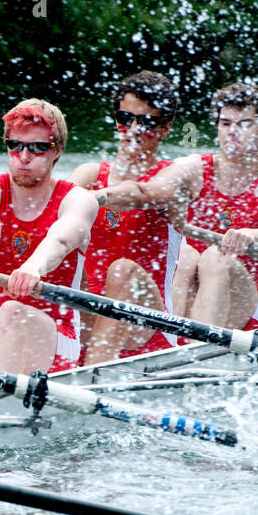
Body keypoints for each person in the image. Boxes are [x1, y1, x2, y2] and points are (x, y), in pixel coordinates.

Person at [97, 82, 258, 331]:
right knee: (187, 254)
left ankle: (191, 348)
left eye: (243, 124)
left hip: (245, 305)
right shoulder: (193, 168)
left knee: (215, 256)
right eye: (225, 124)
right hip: (189, 293)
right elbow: (145, 191)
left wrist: (249, 235)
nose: (231, 132)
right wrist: (98, 197)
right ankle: (172, 340)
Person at [0, 99, 97, 375]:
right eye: (15, 145)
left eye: (38, 148)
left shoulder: (77, 200)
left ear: (57, 152)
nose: (24, 157)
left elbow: (61, 239)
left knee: (11, 311)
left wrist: (33, 266)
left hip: (57, 335)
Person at [68, 71, 183, 363]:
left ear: (166, 128)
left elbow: (140, 193)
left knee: (121, 270)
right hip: (86, 316)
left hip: (145, 327)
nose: (132, 129)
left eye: (145, 122)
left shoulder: (174, 176)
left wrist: (91, 200)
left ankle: (92, 372)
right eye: (124, 118)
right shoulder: (89, 174)